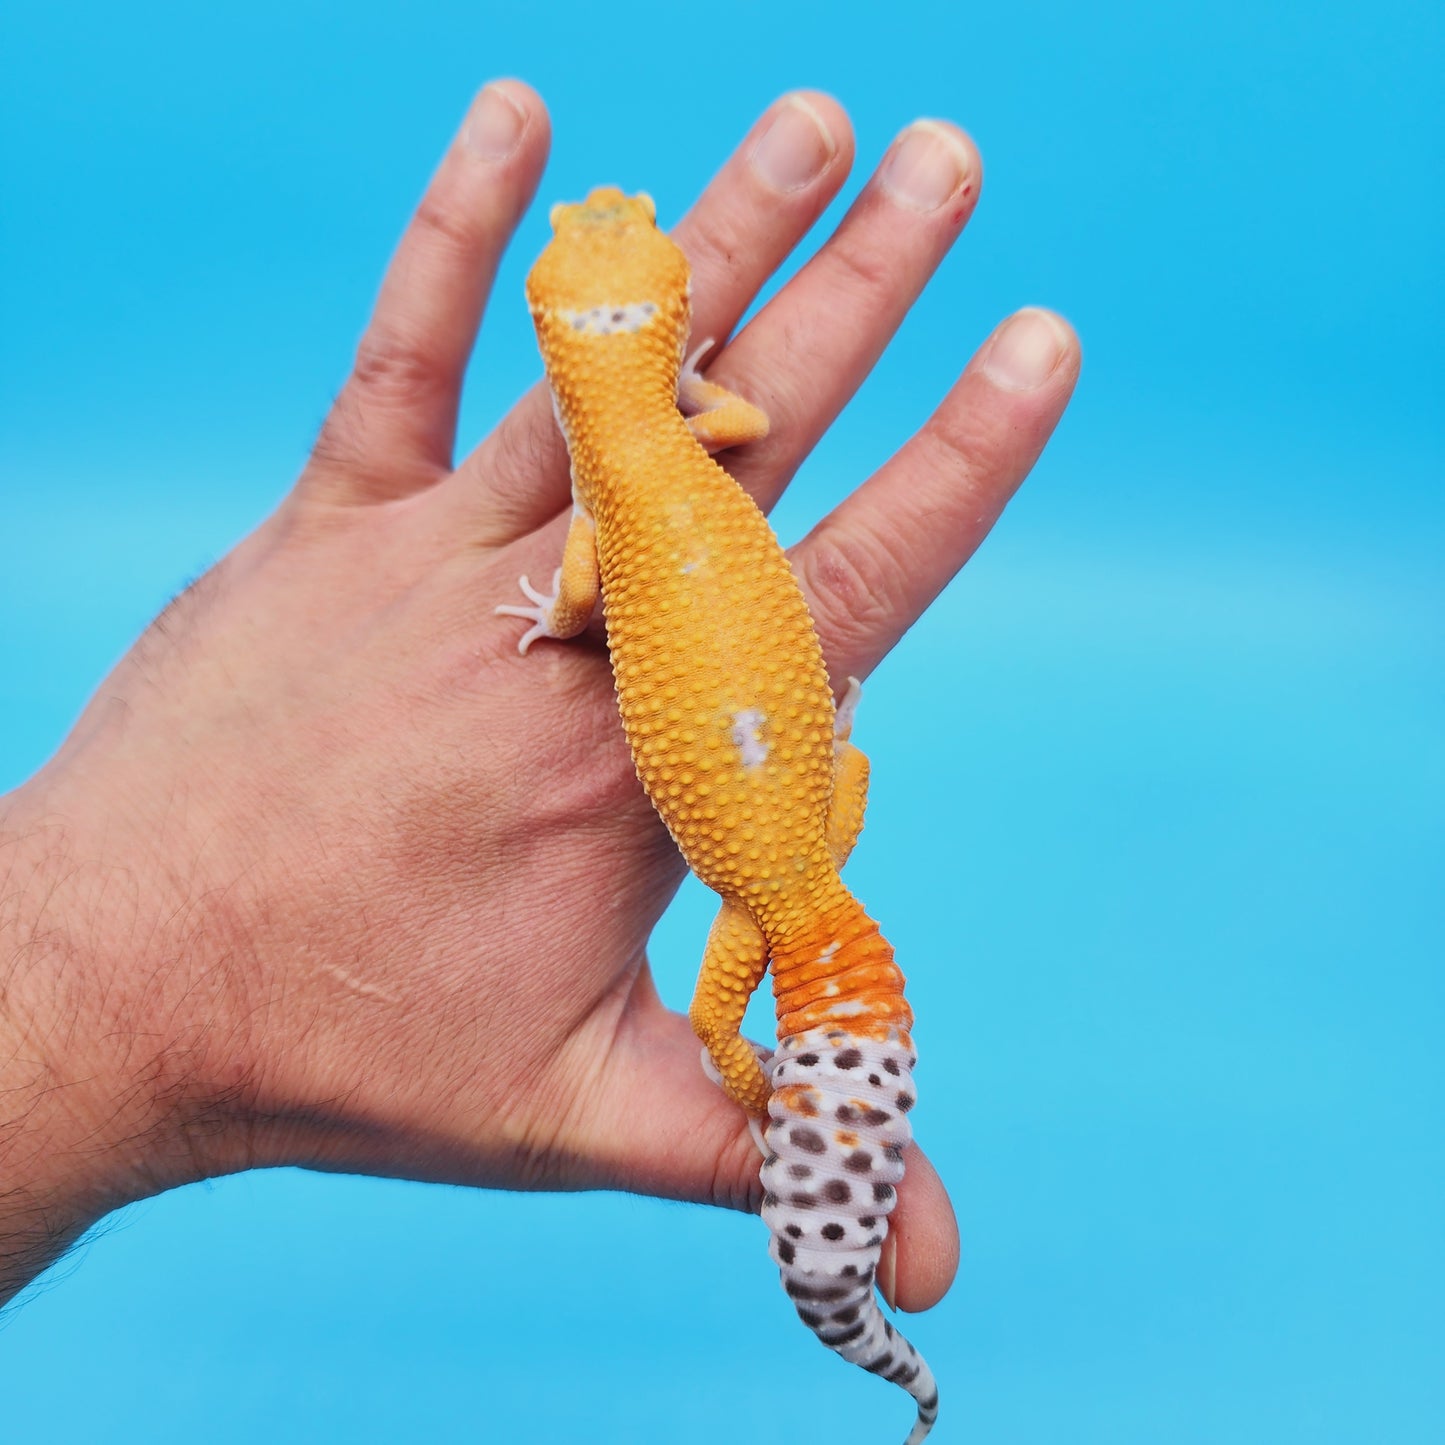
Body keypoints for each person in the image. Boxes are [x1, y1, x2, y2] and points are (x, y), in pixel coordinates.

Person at [0, 82, 1079, 1309]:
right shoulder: (690, 430)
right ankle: (788, 1073)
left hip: (783, 852)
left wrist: (758, 1081)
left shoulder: (598, 502)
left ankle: (777, 1080)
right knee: (825, 812)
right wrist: (692, 397)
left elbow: (571, 598)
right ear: (668, 328)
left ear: (554, 339)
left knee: (724, 1021)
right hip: (809, 835)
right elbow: (742, 416)